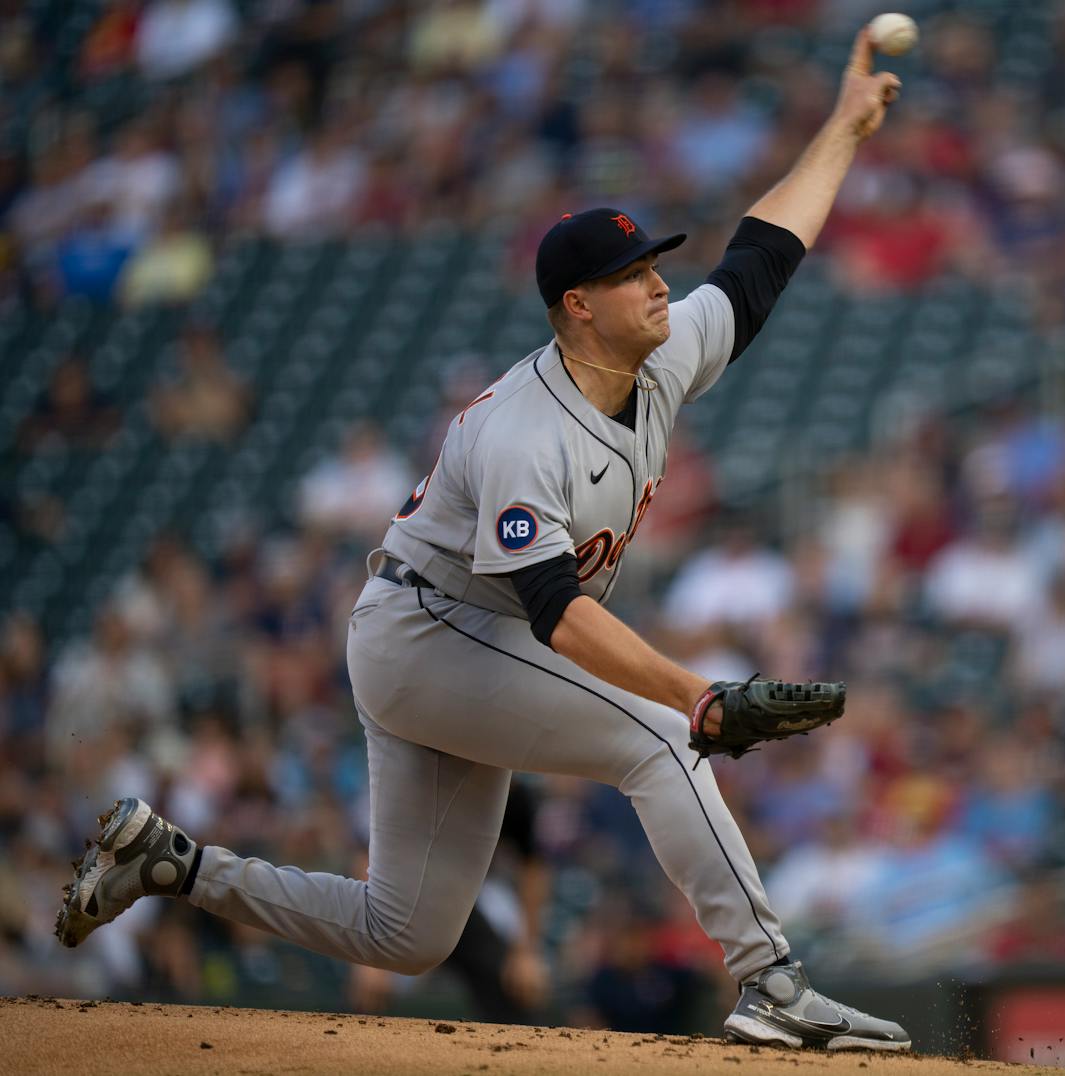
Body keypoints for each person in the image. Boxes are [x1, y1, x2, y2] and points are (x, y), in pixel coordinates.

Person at [56, 28, 911, 1052]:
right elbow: (555, 612)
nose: (657, 284)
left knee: (407, 930)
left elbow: (762, 256)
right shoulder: (522, 430)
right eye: (634, 272)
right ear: (575, 307)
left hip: (460, 633)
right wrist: (693, 692)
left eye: (653, 266)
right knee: (658, 737)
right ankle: (770, 980)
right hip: (430, 629)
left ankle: (172, 863)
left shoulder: (664, 352)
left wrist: (843, 128)